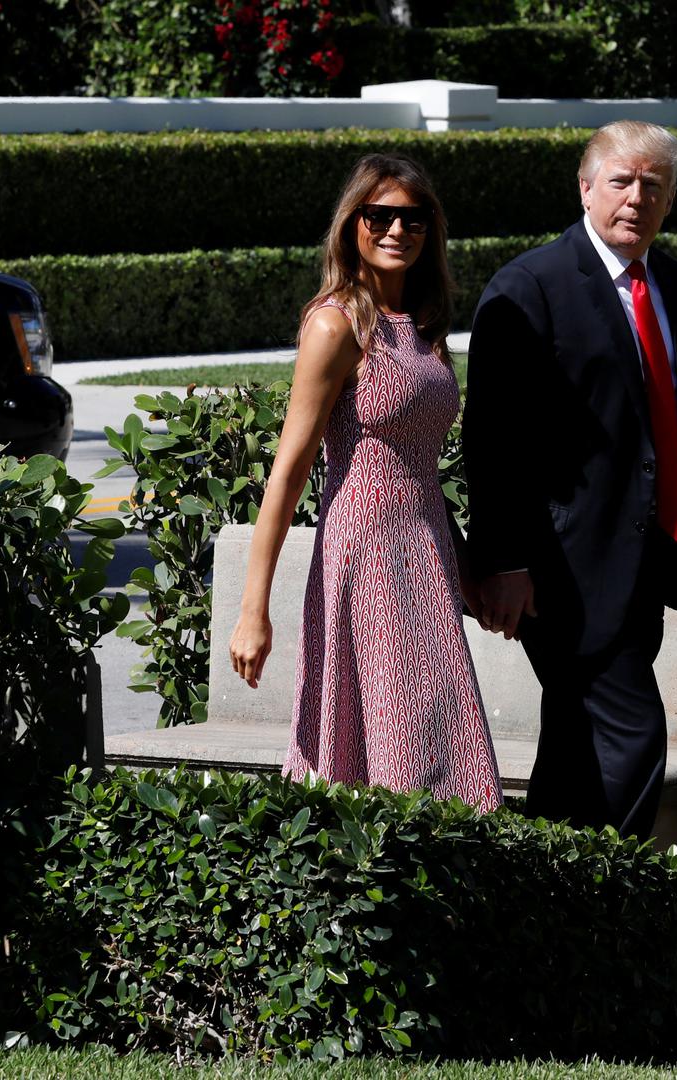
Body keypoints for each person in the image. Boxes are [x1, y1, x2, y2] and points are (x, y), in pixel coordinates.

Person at [462, 120, 677, 838]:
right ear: (585, 189)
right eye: (621, 181)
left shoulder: (675, 286)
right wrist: (505, 562)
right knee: (632, 735)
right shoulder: (530, 287)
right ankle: (624, 893)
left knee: (577, 749)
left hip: (647, 560)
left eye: (653, 186)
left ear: (670, 201)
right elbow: (492, 439)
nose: (636, 198)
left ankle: (548, 890)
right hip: (561, 570)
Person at [227, 153, 501, 811]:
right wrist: (253, 611)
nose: (397, 230)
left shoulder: (424, 328)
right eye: (379, 216)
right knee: (390, 741)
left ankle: (437, 867)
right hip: (365, 557)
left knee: (439, 735)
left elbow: (419, 466)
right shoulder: (336, 324)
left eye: (414, 218)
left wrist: (467, 569)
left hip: (427, 557)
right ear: (352, 224)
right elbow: (288, 472)